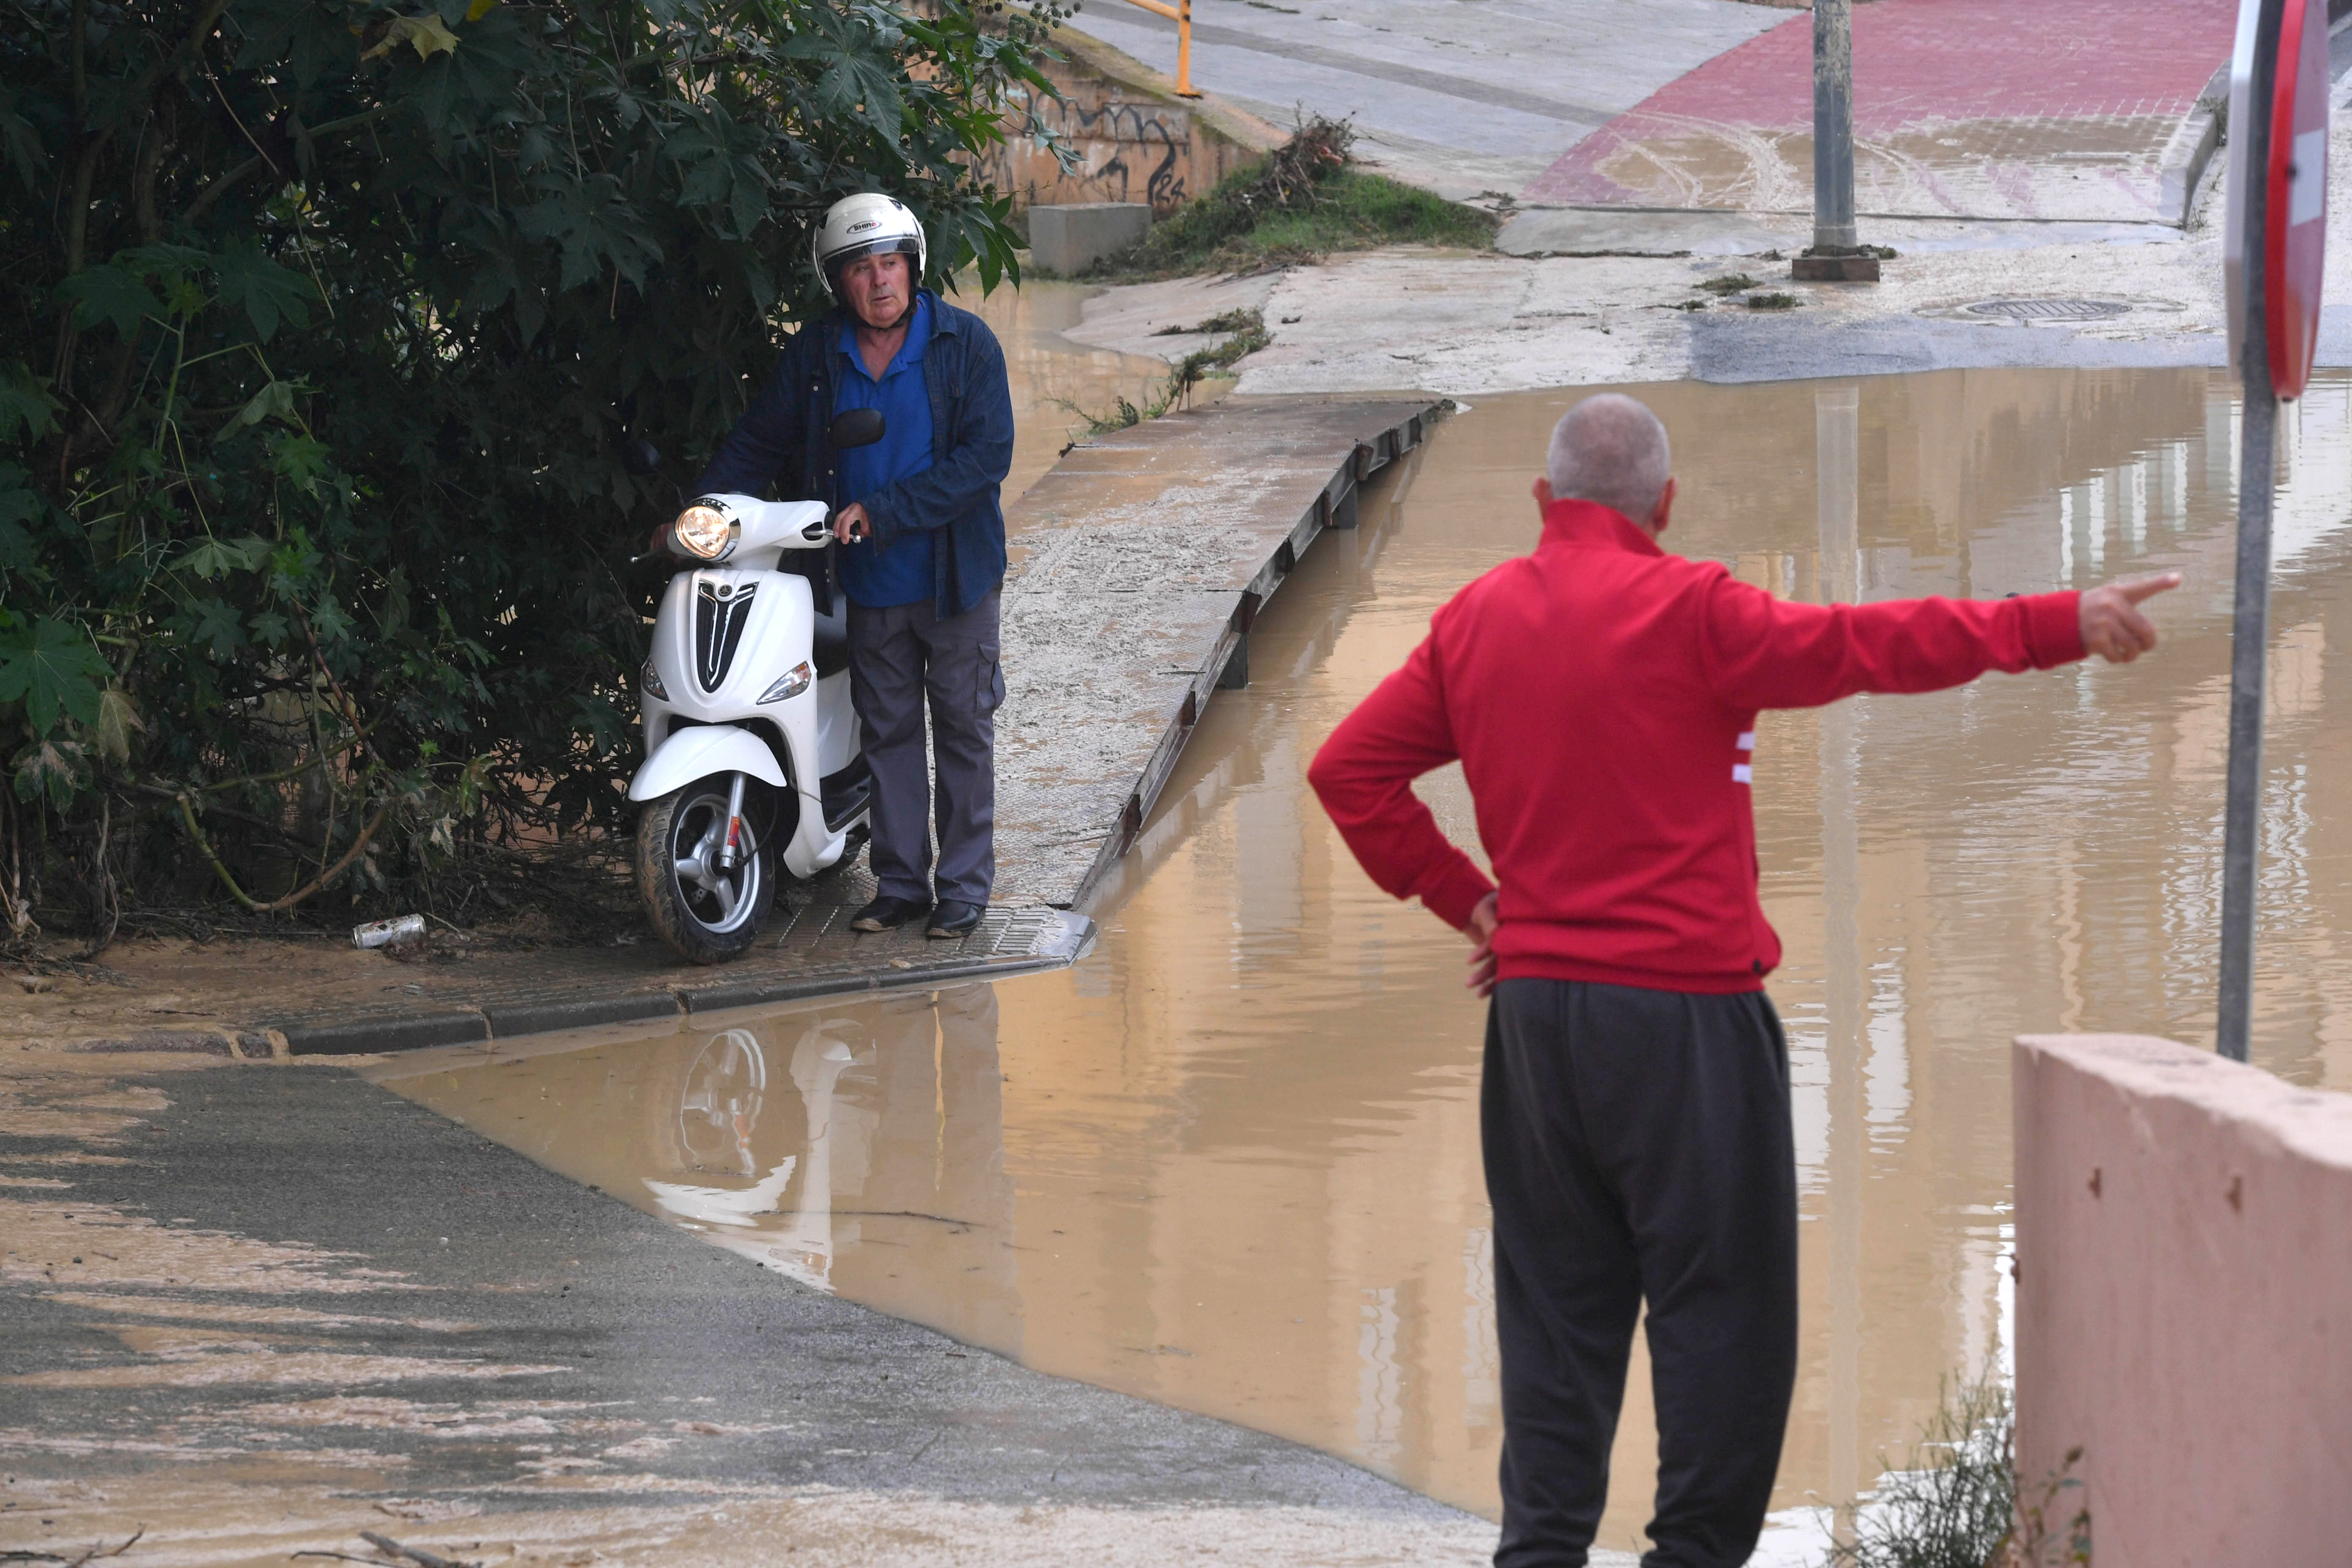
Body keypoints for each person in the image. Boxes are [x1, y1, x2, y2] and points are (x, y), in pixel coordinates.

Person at [1306, 394, 2178, 1568]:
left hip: (1535, 1026)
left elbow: (1346, 770)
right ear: (1664, 505)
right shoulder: (1698, 611)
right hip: (1686, 1026)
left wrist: (1470, 898)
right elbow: (1874, 644)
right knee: (1727, 1333)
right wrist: (2060, 619)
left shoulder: (1474, 620)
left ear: (1542, 502)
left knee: (1556, 1340)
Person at [695, 194, 1014, 939]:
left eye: (891, 264)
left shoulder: (967, 346)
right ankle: (901, 885)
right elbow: (759, 442)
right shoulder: (816, 355)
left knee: (964, 730)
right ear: (839, 282)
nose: (880, 283)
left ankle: (963, 889)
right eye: (862, 270)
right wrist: (698, 513)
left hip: (955, 580)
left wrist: (887, 511)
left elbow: (985, 461)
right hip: (867, 585)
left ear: (914, 265)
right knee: (890, 733)